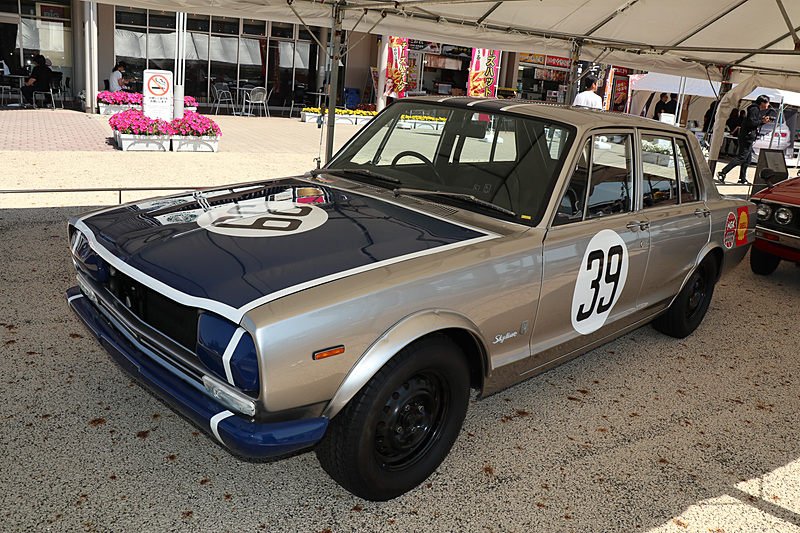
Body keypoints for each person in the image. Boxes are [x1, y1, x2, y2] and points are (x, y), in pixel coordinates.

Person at [717, 95, 773, 184]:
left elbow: (753, 123)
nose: (768, 105)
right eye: (767, 103)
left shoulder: (755, 110)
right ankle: (723, 172)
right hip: (746, 136)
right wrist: (762, 121)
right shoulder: (754, 109)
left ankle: (742, 179)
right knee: (742, 157)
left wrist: (762, 121)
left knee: (747, 159)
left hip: (748, 136)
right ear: (762, 103)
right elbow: (751, 123)